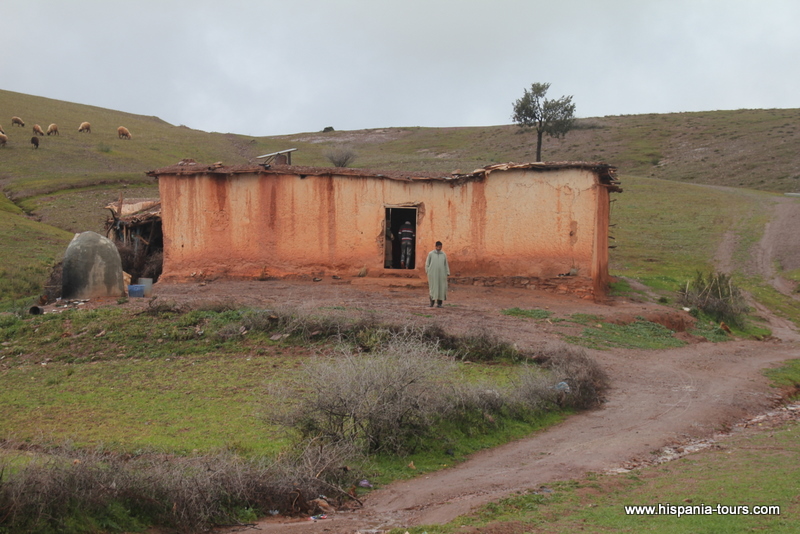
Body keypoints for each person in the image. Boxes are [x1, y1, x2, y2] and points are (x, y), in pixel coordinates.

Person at [425, 241, 449, 307]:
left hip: (442, 274)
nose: (439, 248)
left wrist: (447, 272)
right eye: (438, 247)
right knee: (433, 288)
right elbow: (427, 263)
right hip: (433, 274)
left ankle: (439, 303)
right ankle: (431, 303)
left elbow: (446, 264)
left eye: (440, 247)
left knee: (441, 288)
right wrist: (428, 271)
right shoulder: (431, 254)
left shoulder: (443, 254)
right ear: (435, 246)